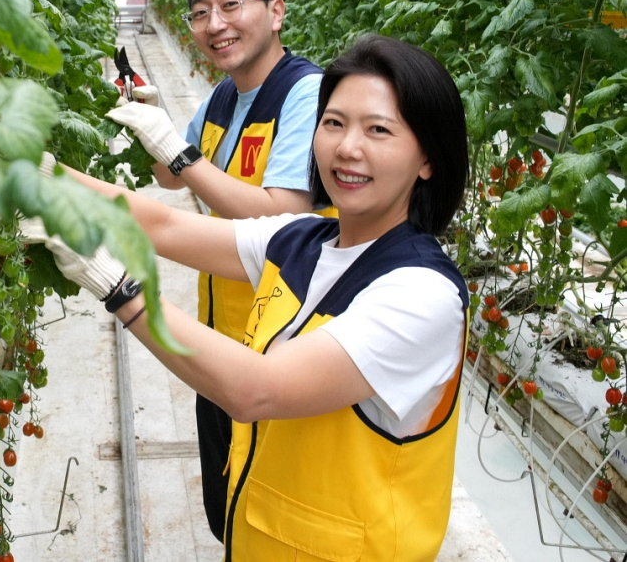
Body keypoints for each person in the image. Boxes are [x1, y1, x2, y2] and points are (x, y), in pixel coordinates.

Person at [34, 35, 469, 560]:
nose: (348, 147)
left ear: (427, 158)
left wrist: (121, 289)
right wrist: (42, 175)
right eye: (333, 123)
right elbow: (164, 224)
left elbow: (256, 390)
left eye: (378, 130)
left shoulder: (421, 293)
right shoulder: (301, 239)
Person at [108, 0, 328, 538]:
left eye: (231, 5)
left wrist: (176, 150)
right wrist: (149, 120)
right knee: (224, 510)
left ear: (275, 11)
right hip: (220, 342)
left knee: (271, 516)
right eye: (200, 12)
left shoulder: (304, 94)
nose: (214, 24)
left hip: (283, 354)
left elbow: (283, 218)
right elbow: (170, 176)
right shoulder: (223, 95)